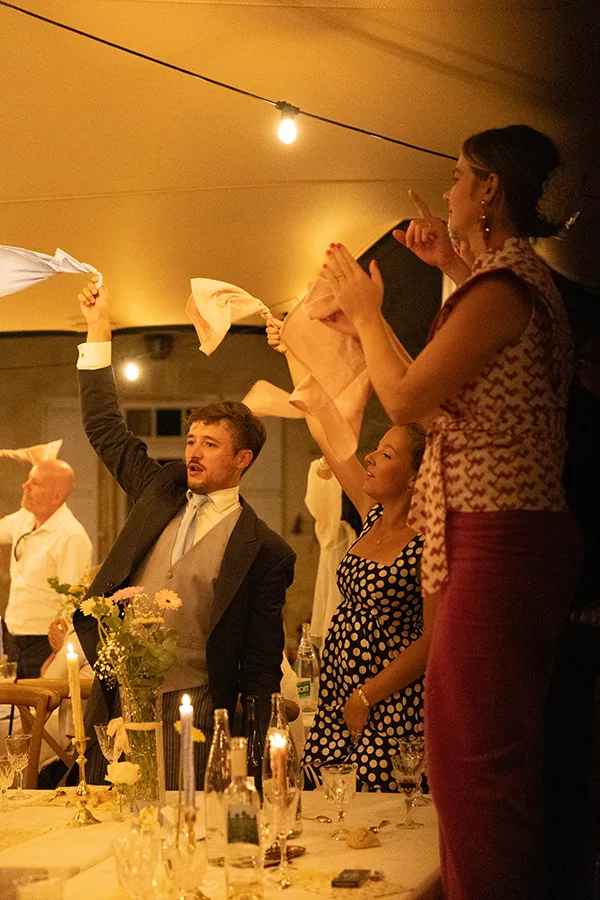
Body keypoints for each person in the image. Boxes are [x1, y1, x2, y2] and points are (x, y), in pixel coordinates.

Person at [319, 126, 582, 899]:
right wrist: (449, 264)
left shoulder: (504, 289)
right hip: (496, 528)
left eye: (458, 175)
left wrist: (369, 312)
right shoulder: (497, 281)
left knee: (476, 758)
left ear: (489, 189)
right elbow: (434, 406)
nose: (447, 191)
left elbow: (401, 400)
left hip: (503, 530)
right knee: (474, 750)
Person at [73, 277, 296, 788]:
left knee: (184, 832)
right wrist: (99, 328)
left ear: (243, 459)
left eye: (210, 444)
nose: (192, 452)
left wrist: (256, 766)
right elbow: (105, 427)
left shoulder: (265, 550)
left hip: (197, 706)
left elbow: (261, 665)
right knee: (111, 823)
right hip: (120, 698)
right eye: (191, 439)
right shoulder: (159, 488)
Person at [266, 318, 432, 791]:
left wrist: (367, 693)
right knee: (327, 806)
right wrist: (292, 351)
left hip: (393, 702)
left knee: (382, 812)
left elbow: (431, 638)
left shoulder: (428, 538)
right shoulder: (371, 512)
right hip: (342, 695)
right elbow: (323, 428)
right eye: (375, 451)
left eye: (386, 455)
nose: (372, 460)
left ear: (417, 476)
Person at [0, 460, 92, 678]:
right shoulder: (24, 518)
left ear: (57, 497)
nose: (25, 486)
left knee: (39, 708)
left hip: (43, 643)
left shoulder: (71, 537)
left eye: (35, 483)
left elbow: (72, 603)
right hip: (14, 636)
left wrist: (56, 657)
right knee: (14, 704)